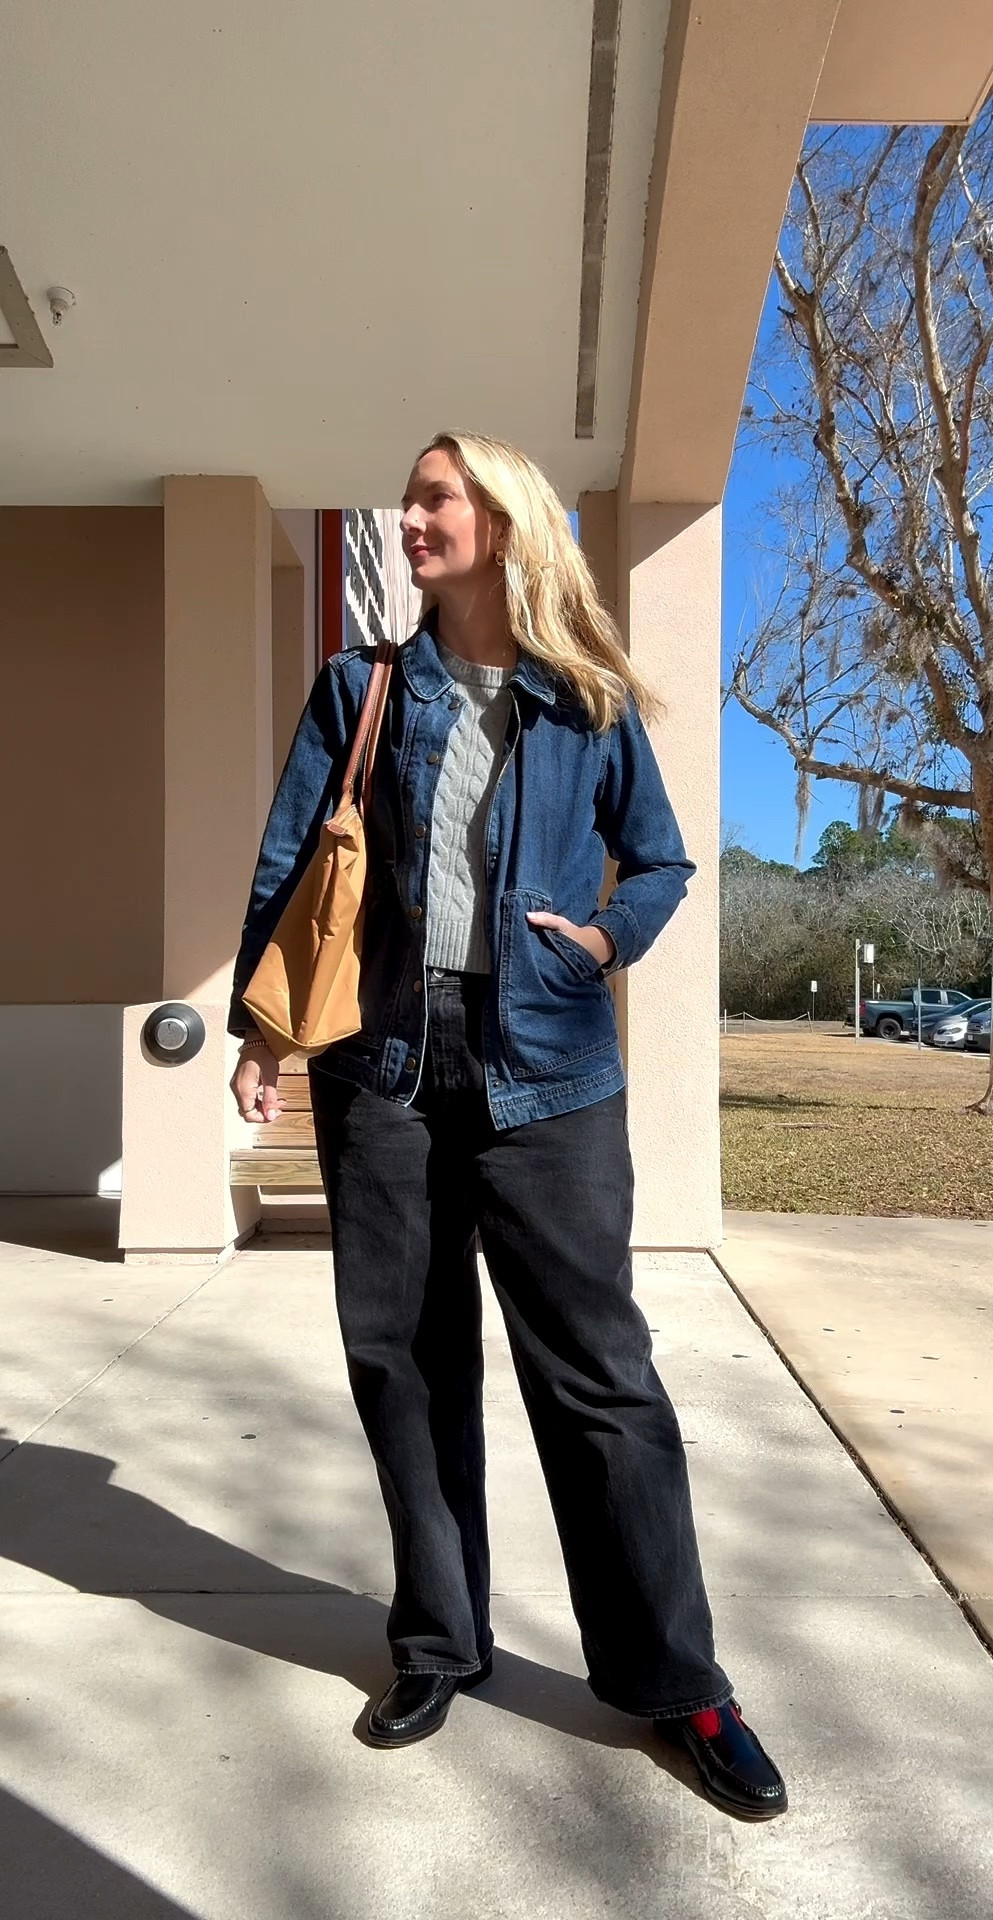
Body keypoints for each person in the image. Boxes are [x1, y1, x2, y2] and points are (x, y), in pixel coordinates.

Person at [227, 432, 787, 1823]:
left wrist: (601, 939)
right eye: (408, 500)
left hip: (552, 1077)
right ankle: (438, 1644)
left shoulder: (586, 702)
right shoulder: (361, 688)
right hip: (385, 1069)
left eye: (434, 498)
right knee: (405, 1365)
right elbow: (295, 863)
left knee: (601, 1378)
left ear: (503, 520)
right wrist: (261, 1033)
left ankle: (680, 1685)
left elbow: (660, 858)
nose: (408, 518)